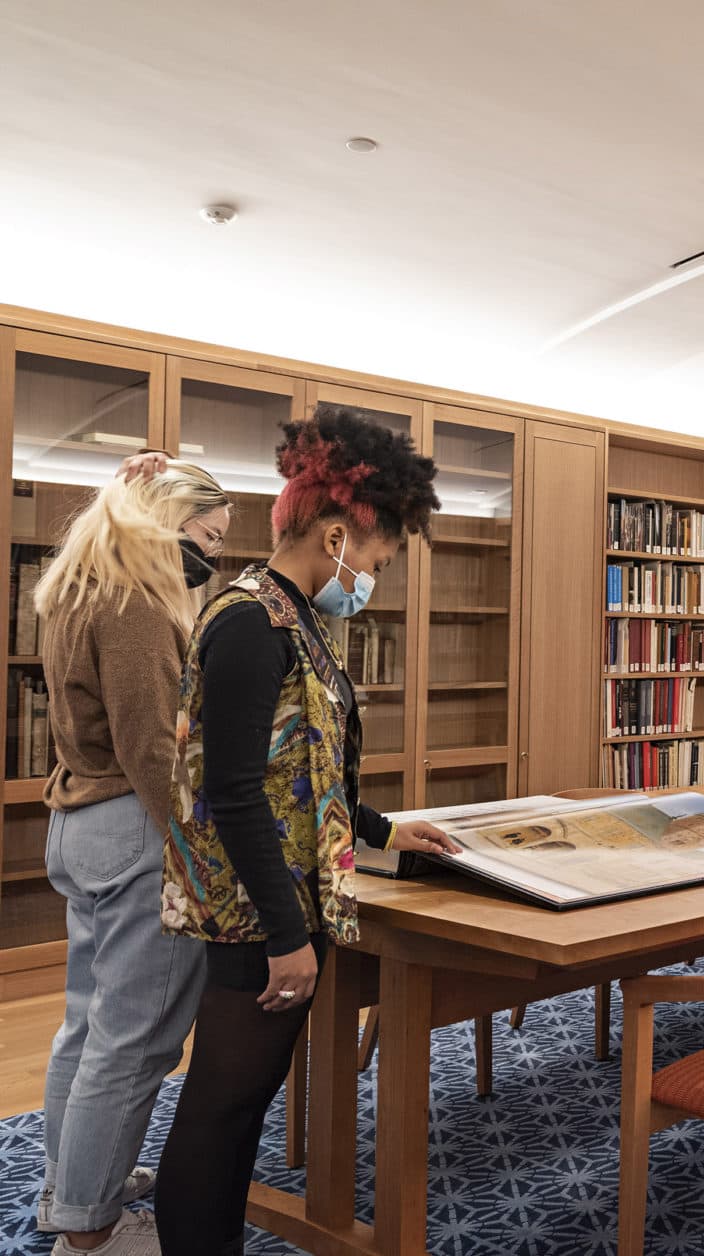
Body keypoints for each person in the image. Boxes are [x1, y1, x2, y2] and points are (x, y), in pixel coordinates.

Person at [154, 406, 461, 1254]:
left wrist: (385, 830)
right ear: (334, 537)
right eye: (372, 559)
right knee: (219, 1110)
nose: (371, 578)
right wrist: (289, 939)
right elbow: (236, 791)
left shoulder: (295, 620)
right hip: (261, 915)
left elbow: (308, 771)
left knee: (237, 1108)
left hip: (286, 902)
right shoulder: (251, 622)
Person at [34, 457, 229, 1256]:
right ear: (164, 521)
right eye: (207, 538)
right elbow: (154, 749)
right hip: (137, 828)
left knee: (87, 1027)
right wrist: (203, 859)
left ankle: (76, 1186)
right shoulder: (138, 603)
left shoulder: (77, 586)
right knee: (137, 1039)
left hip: (79, 821)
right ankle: (93, 1234)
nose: (212, 559)